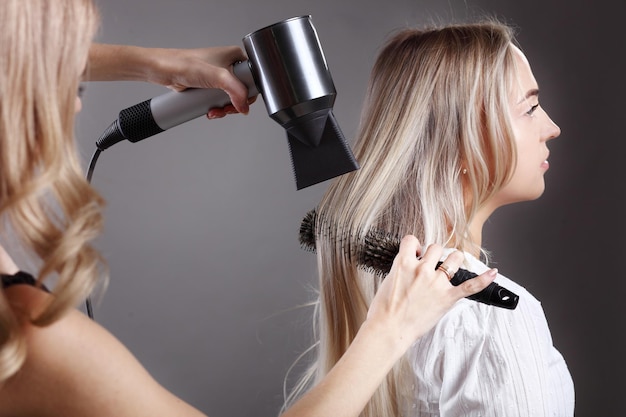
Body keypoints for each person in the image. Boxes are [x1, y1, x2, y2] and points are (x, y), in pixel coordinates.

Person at [0, 1, 496, 416]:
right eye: (71, 80)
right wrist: (394, 327)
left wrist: (157, 62)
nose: (75, 100)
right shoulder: (31, 339)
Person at [287, 20, 575, 417]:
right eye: (530, 108)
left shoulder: (374, 288)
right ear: (462, 142)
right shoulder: (491, 321)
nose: (552, 128)